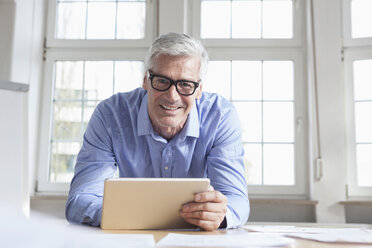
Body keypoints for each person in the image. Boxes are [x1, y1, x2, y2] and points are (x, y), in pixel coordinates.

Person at [65, 32, 249, 231]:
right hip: (130, 237)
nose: (172, 96)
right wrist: (118, 214)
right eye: (162, 81)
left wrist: (221, 215)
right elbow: (80, 199)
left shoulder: (221, 117)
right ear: (145, 80)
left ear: (198, 90)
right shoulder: (111, 115)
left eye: (185, 85)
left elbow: (236, 200)